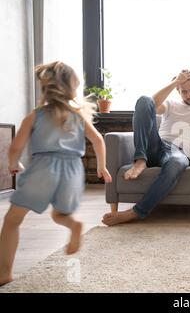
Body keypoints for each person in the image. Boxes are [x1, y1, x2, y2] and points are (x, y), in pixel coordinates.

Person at [0, 61, 112, 286]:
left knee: (12, 220)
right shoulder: (78, 115)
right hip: (72, 170)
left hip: (43, 169)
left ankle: (4, 274)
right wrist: (101, 166)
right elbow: (98, 140)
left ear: (46, 88)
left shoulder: (36, 115)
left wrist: (14, 164)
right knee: (60, 215)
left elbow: (15, 147)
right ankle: (74, 225)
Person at [102, 70, 190, 226]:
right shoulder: (171, 105)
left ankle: (135, 212)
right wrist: (175, 82)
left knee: (177, 162)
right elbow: (150, 104)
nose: (189, 95)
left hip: (180, 154)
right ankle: (141, 160)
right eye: (184, 91)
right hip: (157, 146)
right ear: (178, 91)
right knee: (144, 100)